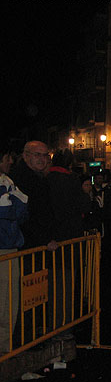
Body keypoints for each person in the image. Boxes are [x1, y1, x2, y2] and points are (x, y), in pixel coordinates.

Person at [1, 144, 28, 352]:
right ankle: (4, 350)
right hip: (6, 249)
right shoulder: (5, 184)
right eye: (7, 158)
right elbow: (19, 211)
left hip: (7, 247)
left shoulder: (7, 182)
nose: (11, 161)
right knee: (7, 303)